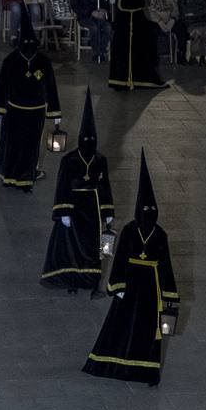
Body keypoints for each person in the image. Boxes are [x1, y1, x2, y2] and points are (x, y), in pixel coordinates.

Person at [83, 154, 180, 386]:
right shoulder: (128, 231)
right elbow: (119, 260)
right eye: (145, 210)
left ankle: (146, 371)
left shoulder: (160, 234)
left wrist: (169, 296)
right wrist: (117, 285)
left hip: (150, 290)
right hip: (130, 285)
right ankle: (115, 363)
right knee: (120, 325)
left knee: (147, 329)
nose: (148, 214)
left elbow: (165, 265)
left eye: (152, 210)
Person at [41, 89, 114, 294]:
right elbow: (62, 185)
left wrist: (108, 212)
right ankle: (72, 280)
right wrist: (63, 211)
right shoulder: (69, 160)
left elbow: (105, 186)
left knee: (93, 248)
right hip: (74, 208)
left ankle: (91, 281)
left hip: (93, 210)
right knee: (72, 246)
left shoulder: (100, 160)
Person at [0, 11, 63, 191]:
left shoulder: (42, 62)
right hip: (14, 111)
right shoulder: (11, 61)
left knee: (31, 146)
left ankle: (27, 175)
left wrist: (54, 111)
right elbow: (2, 85)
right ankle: (10, 174)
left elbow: (50, 86)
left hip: (36, 112)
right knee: (12, 144)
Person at [108, 0, 168, 91]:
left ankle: (138, 79)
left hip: (137, 22)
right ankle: (122, 80)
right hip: (125, 23)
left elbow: (134, 2)